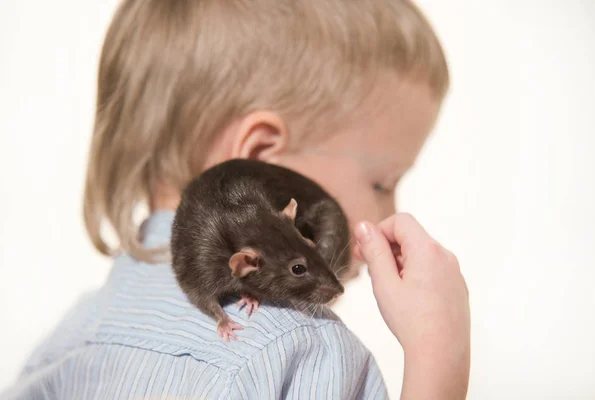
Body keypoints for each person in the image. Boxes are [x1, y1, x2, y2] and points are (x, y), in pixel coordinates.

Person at [2, 0, 470, 398]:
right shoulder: (305, 351)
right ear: (262, 163)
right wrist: (438, 358)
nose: (391, 213)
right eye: (381, 183)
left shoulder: (69, 339)